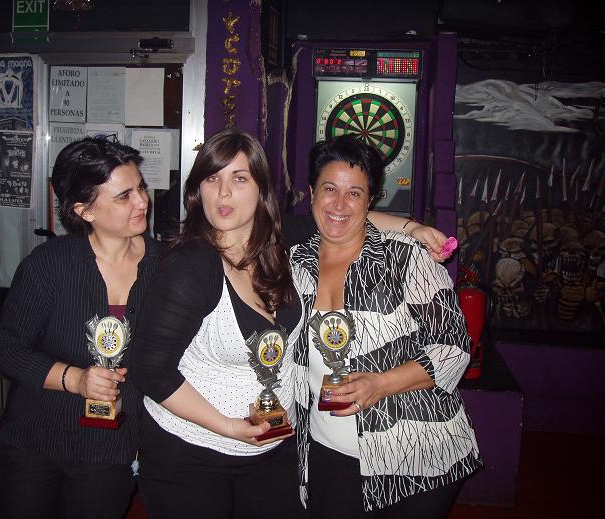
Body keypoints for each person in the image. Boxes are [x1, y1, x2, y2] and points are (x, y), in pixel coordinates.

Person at [129, 128, 450, 519]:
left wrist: (413, 228)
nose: (224, 193)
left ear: (261, 190)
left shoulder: (280, 241)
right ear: (198, 190)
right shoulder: (190, 265)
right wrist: (228, 427)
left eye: (239, 179)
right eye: (212, 179)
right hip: (193, 453)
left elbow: (343, 216)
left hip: (275, 447)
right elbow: (150, 369)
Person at [290, 135, 482, 518]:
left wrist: (381, 384)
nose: (339, 203)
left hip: (415, 452)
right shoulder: (293, 263)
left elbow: (453, 348)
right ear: (311, 193)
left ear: (370, 201)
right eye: (329, 189)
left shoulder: (406, 257)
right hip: (326, 450)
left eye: (355, 193)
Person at [0, 137, 161, 519]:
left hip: (112, 447)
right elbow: (7, 350)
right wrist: (75, 379)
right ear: (84, 210)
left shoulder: (165, 267)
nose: (142, 202)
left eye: (140, 188)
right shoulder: (49, 264)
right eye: (124, 196)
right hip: (35, 440)